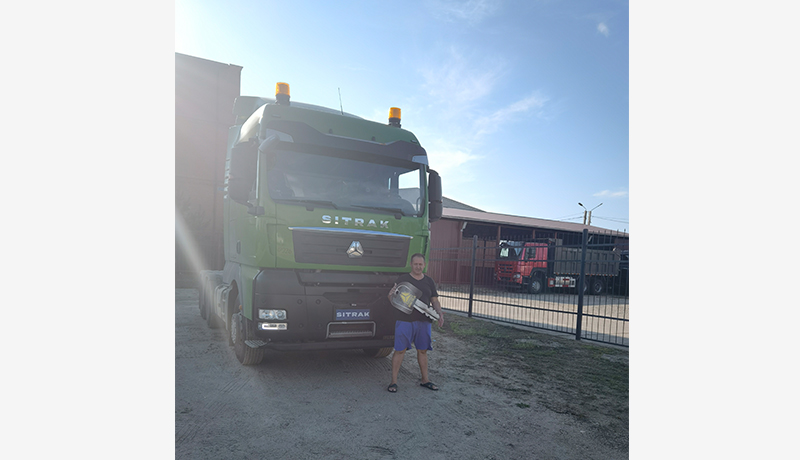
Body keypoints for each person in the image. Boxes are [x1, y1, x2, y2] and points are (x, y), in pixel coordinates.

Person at [386, 253, 444, 393]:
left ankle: (425, 380)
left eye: (420, 264)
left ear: (424, 265)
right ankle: (393, 382)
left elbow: (434, 300)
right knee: (400, 350)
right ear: (411, 264)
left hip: (424, 322)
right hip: (404, 320)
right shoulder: (403, 279)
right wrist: (390, 295)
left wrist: (439, 313)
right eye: (416, 264)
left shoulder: (429, 281)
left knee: (422, 350)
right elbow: (393, 298)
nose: (418, 267)